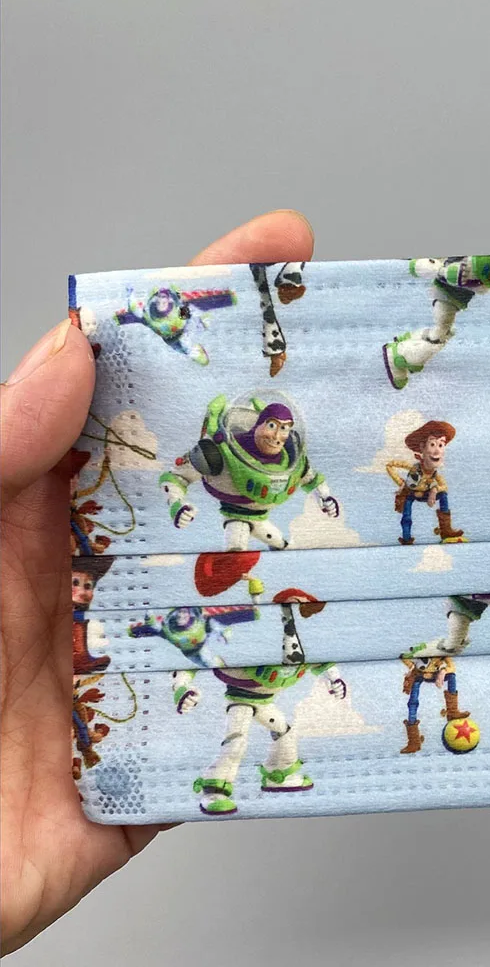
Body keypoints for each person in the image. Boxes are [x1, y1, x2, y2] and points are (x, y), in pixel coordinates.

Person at [0, 210, 316, 955]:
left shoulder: (286, 464)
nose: (275, 435)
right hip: (227, 568)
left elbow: (302, 480)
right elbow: (184, 475)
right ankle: (231, 775)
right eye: (268, 427)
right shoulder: (221, 453)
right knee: (247, 710)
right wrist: (178, 495)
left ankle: (267, 767)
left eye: (281, 429)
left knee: (268, 704)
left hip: (250, 585)